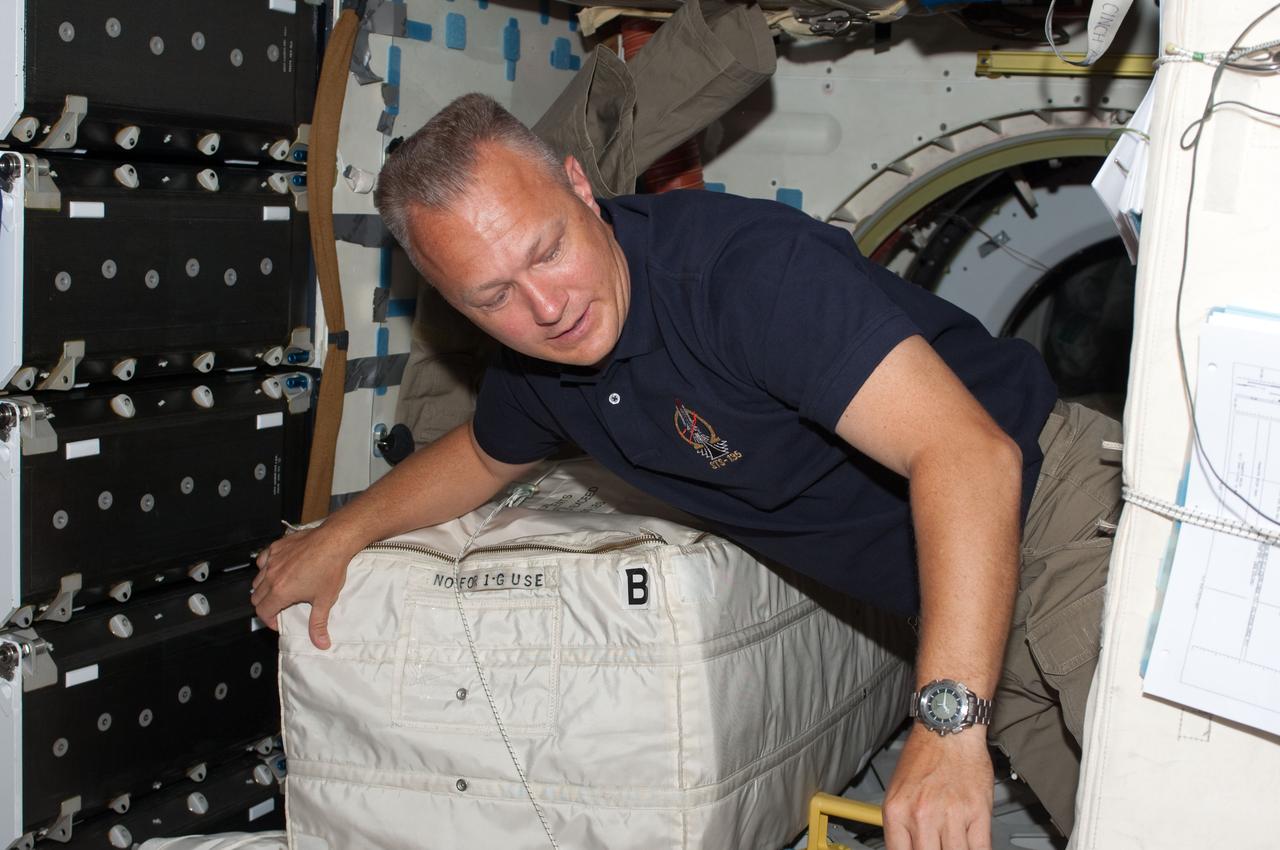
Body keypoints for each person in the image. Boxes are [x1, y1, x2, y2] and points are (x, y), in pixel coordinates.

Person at [251, 93, 1122, 850]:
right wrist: (343, 531)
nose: (547, 307)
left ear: (580, 187)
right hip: (961, 608)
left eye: (547, 251)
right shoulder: (544, 371)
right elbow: (480, 454)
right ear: (455, 304)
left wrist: (944, 726)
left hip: (1054, 524)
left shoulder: (742, 278)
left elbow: (969, 454)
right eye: (494, 295)